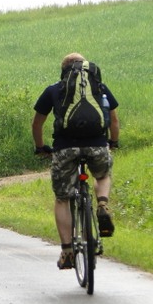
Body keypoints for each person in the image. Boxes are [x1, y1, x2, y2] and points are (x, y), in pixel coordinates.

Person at [32, 52, 120, 270]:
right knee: (102, 174)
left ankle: (67, 251)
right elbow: (114, 119)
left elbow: (37, 123)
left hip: (65, 148)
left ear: (64, 70)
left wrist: (40, 147)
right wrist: (113, 142)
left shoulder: (54, 90)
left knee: (62, 198)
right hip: (97, 144)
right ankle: (102, 203)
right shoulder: (99, 87)